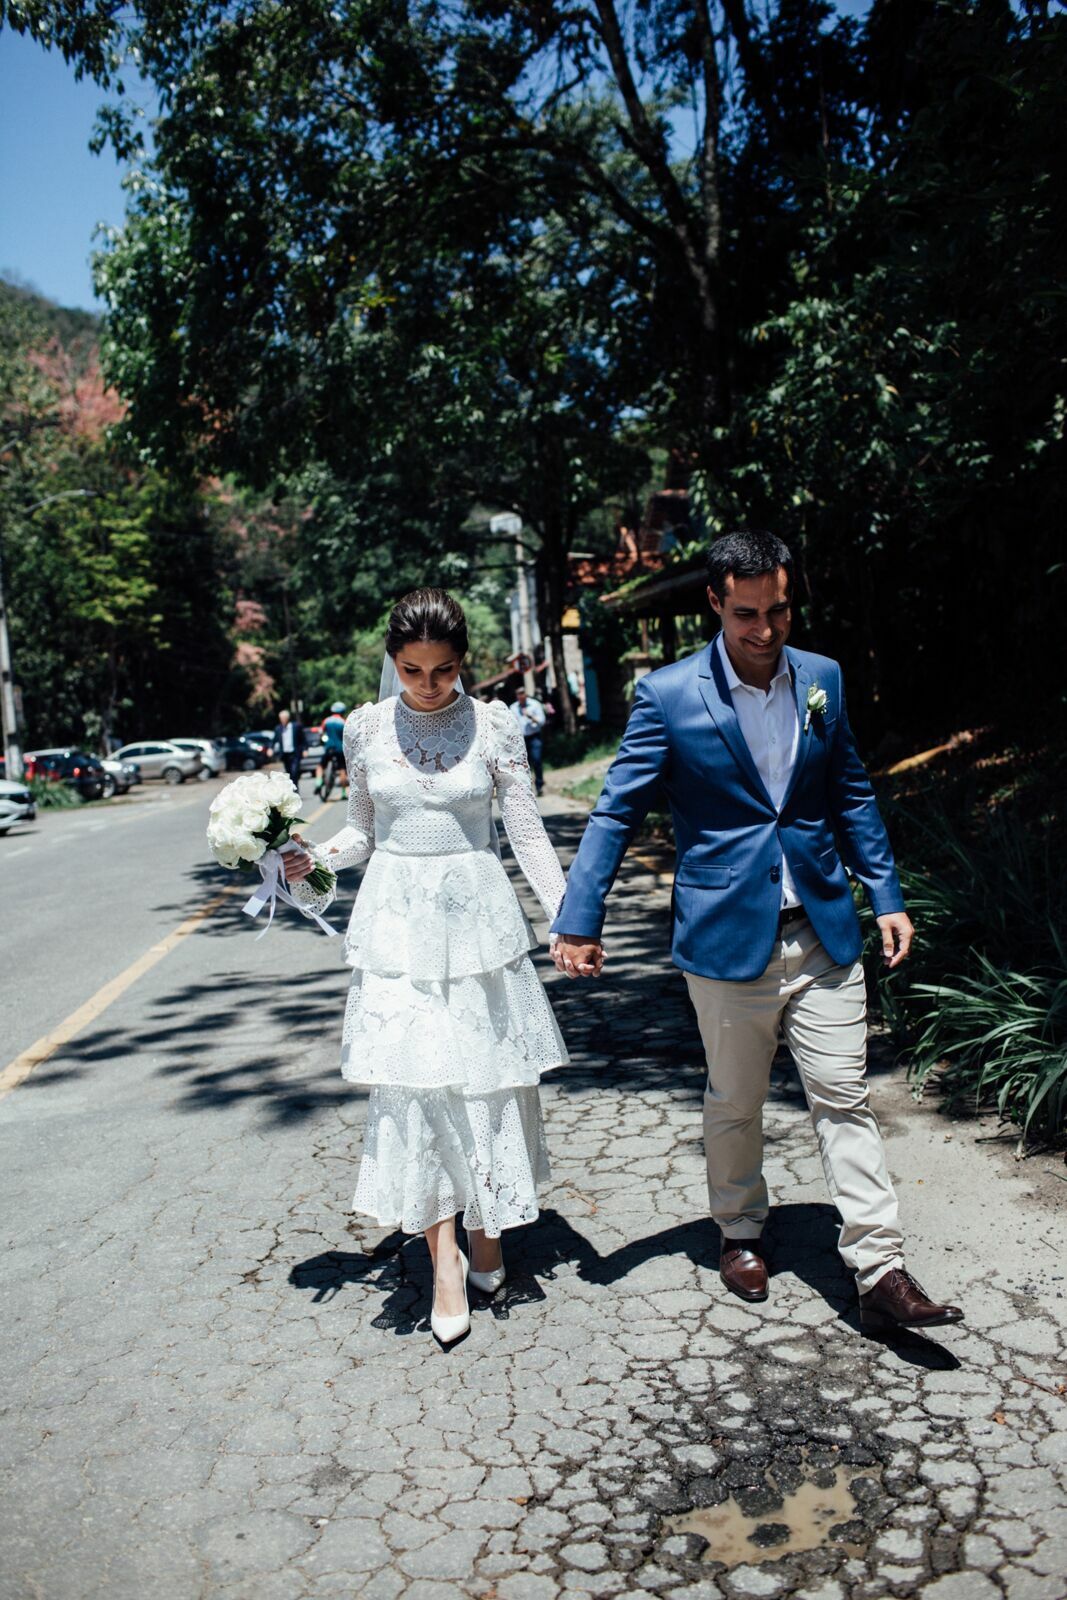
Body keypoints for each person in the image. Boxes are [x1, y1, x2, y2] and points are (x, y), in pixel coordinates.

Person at [551, 531, 963, 1337]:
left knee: (842, 1094)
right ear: (715, 603)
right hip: (725, 934)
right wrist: (579, 917)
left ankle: (878, 1267)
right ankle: (738, 1228)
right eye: (746, 614)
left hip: (818, 924)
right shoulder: (667, 695)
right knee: (735, 1099)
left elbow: (849, 792)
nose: (765, 630)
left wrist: (885, 894)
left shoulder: (823, 679)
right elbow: (616, 809)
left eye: (777, 609)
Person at [281, 589, 579, 1346]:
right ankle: (442, 1257)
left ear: (463, 664)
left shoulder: (497, 724)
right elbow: (359, 832)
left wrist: (567, 918)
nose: (426, 684)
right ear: (392, 661)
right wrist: (312, 861)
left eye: (443, 671)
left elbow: (526, 834)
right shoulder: (366, 729)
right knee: (417, 1088)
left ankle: (488, 1234)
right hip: (397, 930)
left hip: (477, 923)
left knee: (481, 1083)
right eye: (411, 669)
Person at [512, 684, 547, 796]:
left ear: (526, 694)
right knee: (522, 764)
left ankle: (539, 785)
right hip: (520, 739)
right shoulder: (513, 708)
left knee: (537, 760)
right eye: (519, 693)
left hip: (534, 736)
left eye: (523, 693)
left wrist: (531, 717)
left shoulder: (535, 705)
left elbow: (542, 722)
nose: (521, 695)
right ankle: (526, 788)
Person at [315, 701, 349, 799]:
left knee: (320, 766)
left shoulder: (326, 721)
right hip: (339, 748)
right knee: (342, 769)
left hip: (329, 747)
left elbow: (320, 731)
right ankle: (343, 793)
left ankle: (318, 782)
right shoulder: (343, 722)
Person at [272, 708, 306, 789]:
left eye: (284, 718)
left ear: (288, 718)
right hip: (285, 754)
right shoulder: (278, 729)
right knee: (289, 773)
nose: (282, 720)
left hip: (295, 753)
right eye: (281, 719)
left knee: (294, 772)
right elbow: (274, 740)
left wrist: (305, 749)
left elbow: (303, 739)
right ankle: (291, 788)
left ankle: (295, 788)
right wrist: (271, 748)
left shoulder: (296, 726)